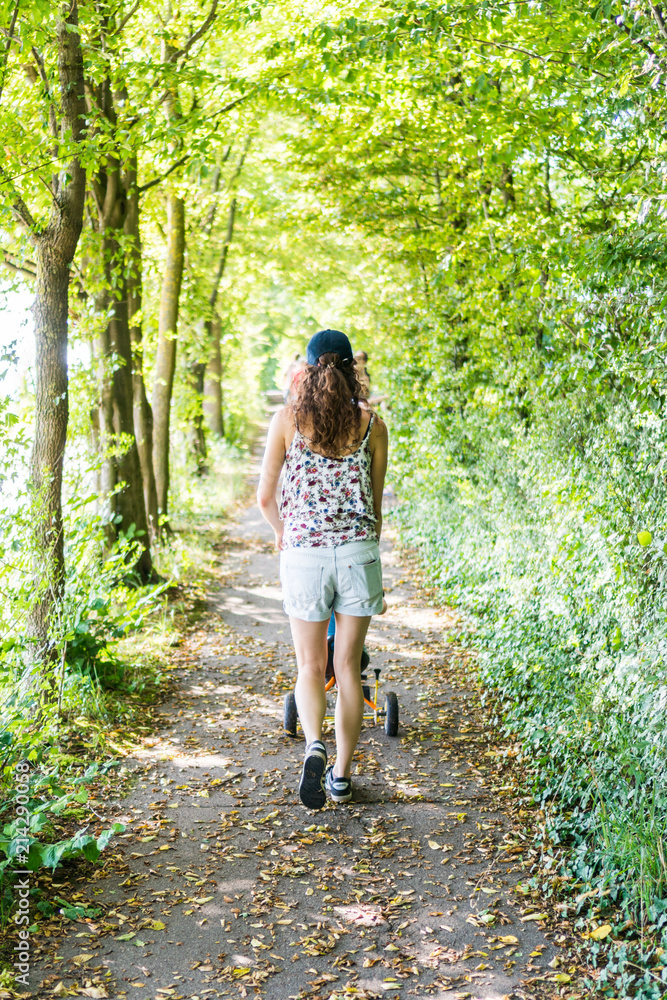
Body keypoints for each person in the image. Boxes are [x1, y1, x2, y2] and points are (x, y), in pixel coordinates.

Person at [257, 329, 388, 809]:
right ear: (352, 368)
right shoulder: (373, 425)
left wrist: (282, 532)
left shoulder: (287, 421)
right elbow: (376, 505)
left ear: (307, 371)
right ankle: (341, 777)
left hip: (304, 554)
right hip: (357, 554)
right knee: (348, 668)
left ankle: (314, 743)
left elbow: (265, 498)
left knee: (311, 667)